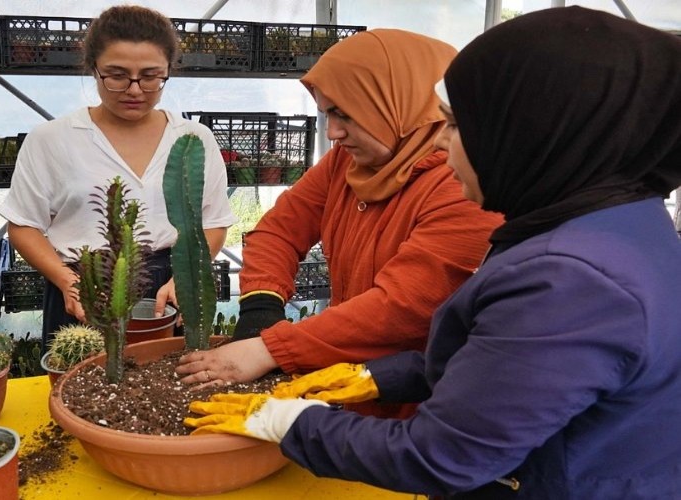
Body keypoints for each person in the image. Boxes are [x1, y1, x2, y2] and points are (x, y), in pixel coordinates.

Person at [183, 7, 681, 499]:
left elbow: (443, 454)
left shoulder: (572, 278)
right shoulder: (614, 220)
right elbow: (500, 359)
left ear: (532, 130)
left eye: (458, 125)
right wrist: (372, 375)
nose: (441, 141)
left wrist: (286, 420)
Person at [176, 28, 502, 418]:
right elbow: (278, 231)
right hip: (346, 383)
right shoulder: (346, 163)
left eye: (345, 114)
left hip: (421, 406)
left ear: (399, 103)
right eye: (328, 113)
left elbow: (402, 308)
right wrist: (260, 309)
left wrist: (270, 349)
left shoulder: (462, 185)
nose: (332, 131)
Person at [0, 5, 237, 346]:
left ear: (169, 71)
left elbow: (214, 222)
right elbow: (23, 225)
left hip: (170, 287)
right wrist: (67, 281)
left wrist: (186, 279)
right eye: (117, 75)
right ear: (93, 69)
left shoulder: (193, 140)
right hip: (85, 288)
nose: (135, 89)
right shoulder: (52, 139)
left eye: (151, 76)